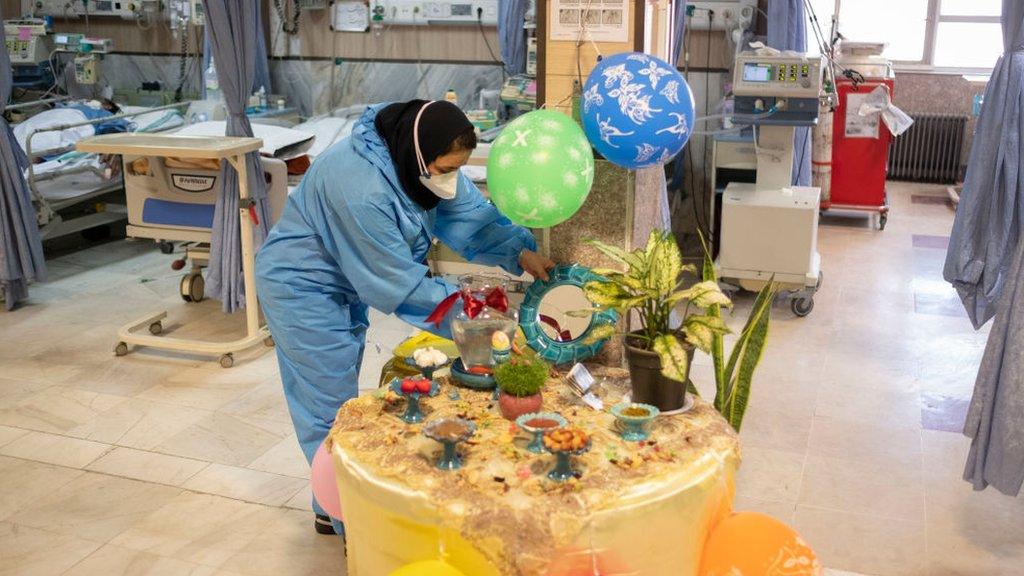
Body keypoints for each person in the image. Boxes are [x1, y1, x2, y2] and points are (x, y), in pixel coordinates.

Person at [255, 100, 554, 538]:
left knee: (340, 392)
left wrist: (521, 251)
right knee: (329, 407)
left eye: (459, 168)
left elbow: (472, 219)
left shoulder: (420, 158)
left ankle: (328, 505)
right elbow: (396, 283)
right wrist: (477, 319)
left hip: (347, 279)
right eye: (445, 169)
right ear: (418, 157)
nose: (451, 179)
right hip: (303, 287)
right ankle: (352, 527)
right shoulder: (358, 184)